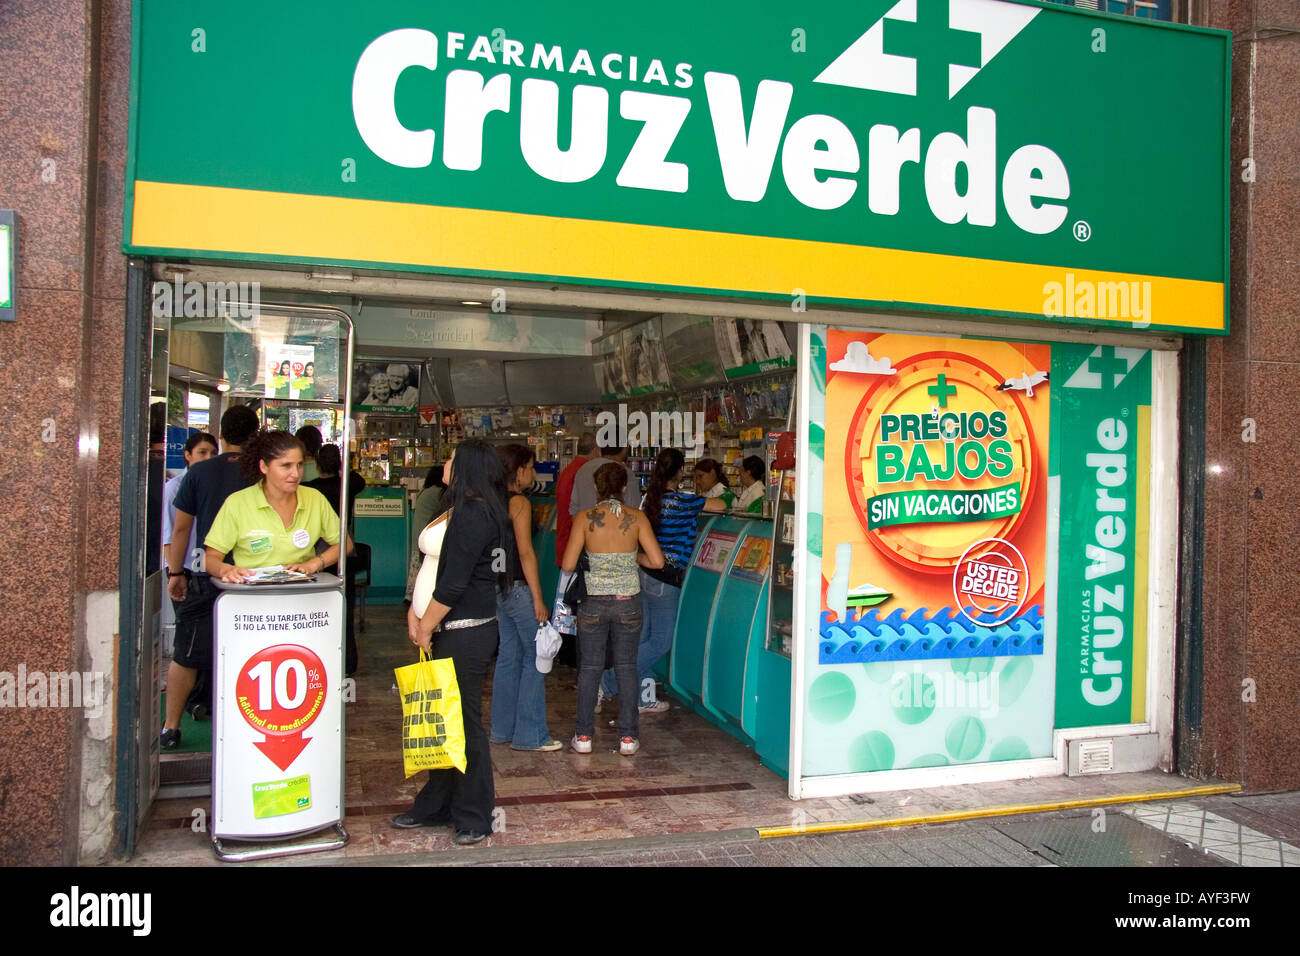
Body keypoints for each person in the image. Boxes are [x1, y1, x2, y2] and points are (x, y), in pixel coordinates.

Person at [396, 440, 507, 845]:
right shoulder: (457, 507)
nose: (444, 463)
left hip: (464, 631)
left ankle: (475, 816)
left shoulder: (476, 514)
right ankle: (436, 805)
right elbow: (431, 566)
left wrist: (426, 624)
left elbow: (456, 582)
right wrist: (415, 611)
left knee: (464, 725)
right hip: (441, 628)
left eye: (451, 459)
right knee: (441, 719)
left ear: (467, 468)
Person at [161, 404, 260, 749]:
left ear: (222, 435)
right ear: (254, 436)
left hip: (202, 573)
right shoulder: (260, 472)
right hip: (249, 576)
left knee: (186, 653)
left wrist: (176, 572)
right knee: (247, 654)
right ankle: (244, 725)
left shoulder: (198, 474)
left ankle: (171, 727)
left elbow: (181, 528)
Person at [599, 448, 726, 713]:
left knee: (643, 638)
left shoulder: (650, 499)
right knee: (660, 642)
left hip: (645, 573)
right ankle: (607, 683)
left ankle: (643, 698)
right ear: (680, 472)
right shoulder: (683, 501)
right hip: (666, 580)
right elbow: (722, 505)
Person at [563, 463, 664, 756]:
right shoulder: (637, 518)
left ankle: (583, 737)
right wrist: (632, 559)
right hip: (628, 603)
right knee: (627, 668)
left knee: (590, 669)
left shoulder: (584, 518)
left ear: (596, 488)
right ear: (623, 488)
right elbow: (657, 561)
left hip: (593, 602)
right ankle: (628, 739)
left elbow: (569, 565)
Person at [490, 445, 560, 751]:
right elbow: (526, 552)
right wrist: (538, 598)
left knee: (508, 658)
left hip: (496, 587)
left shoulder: (489, 499)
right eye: (531, 467)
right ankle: (531, 735)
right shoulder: (519, 502)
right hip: (518, 587)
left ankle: (501, 729)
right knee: (536, 659)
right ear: (518, 470)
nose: (534, 473)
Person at [204, 430, 343, 584]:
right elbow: (211, 558)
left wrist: (315, 563)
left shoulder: (314, 499)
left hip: (302, 597)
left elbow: (344, 544)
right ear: (264, 466)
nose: (296, 474)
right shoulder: (237, 503)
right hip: (252, 598)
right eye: (286, 466)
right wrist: (226, 570)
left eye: (299, 465)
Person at [160, 431, 218, 715]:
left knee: (208, 638)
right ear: (187, 455)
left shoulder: (213, 484)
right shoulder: (175, 487)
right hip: (184, 571)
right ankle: (181, 711)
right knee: (188, 643)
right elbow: (171, 534)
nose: (207, 458)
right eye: (201, 452)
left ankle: (203, 699)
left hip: (207, 569)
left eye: (211, 452)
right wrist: (175, 572)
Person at [304, 443, 366, 675]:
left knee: (318, 610)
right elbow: (359, 479)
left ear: (316, 464)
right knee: (344, 608)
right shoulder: (347, 485)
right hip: (342, 554)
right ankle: (347, 662)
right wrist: (343, 467)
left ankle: (321, 659)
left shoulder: (309, 489)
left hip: (316, 554)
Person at [554, 433, 596, 568]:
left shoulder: (567, 471)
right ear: (596, 450)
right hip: (576, 545)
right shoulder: (585, 473)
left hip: (564, 540)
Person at [405, 464, 446, 603]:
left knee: (416, 565)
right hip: (428, 538)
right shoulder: (438, 493)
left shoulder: (425, 490)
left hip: (419, 534)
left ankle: (411, 595)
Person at [569, 446, 638, 515]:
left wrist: (582, 523)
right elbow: (634, 508)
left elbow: (574, 510)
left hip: (586, 523)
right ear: (624, 449)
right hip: (622, 523)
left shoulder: (583, 470)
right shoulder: (627, 473)